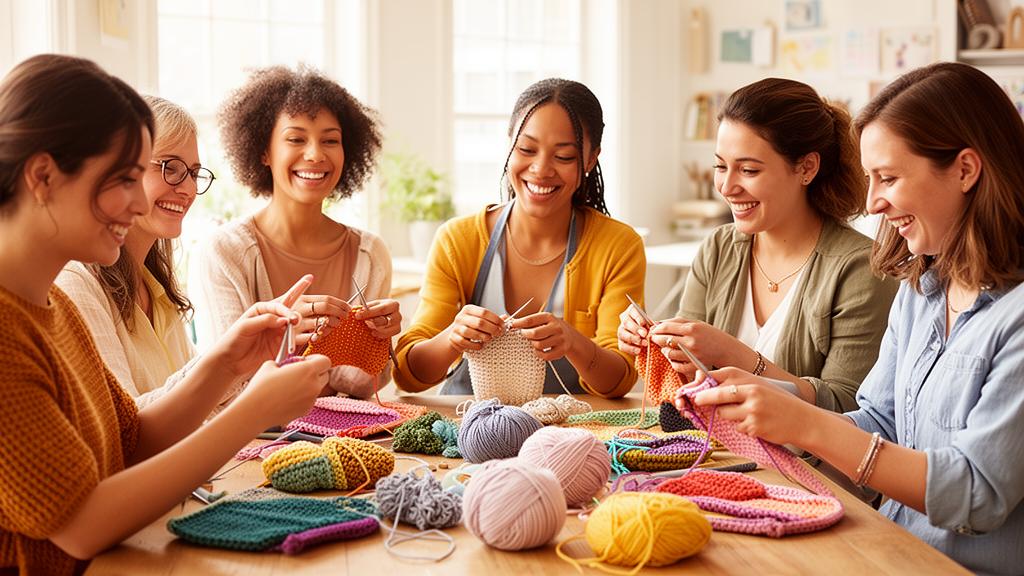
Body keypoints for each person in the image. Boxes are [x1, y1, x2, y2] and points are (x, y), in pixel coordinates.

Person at [681, 62, 1024, 575]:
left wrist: (805, 422)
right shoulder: (921, 293)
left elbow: (976, 493)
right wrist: (770, 397)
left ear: (965, 170)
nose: (872, 202)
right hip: (894, 552)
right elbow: (879, 422)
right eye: (869, 179)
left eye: (888, 178)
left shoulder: (1014, 318)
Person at [0, 54, 330, 575]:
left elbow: (131, 439)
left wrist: (226, 362)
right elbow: (81, 524)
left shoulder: (50, 305)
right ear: (43, 175)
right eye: (123, 179)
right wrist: (250, 414)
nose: (139, 203)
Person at [619, 78, 898, 413]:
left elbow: (847, 408)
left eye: (748, 170)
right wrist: (655, 344)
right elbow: (684, 384)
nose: (726, 186)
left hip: (806, 465)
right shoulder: (719, 248)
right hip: (718, 452)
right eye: (721, 166)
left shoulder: (860, 269)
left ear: (806, 168)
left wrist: (733, 355)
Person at [394, 78, 645, 398]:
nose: (541, 169)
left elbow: (619, 381)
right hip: (468, 434)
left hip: (568, 435)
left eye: (564, 157)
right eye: (527, 149)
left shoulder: (618, 246)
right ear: (510, 144)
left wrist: (574, 343)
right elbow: (407, 374)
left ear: (591, 159)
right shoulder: (458, 240)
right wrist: (451, 338)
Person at [191, 65, 400, 399]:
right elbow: (224, 386)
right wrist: (285, 343)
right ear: (264, 151)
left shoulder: (370, 254)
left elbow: (363, 384)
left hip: (344, 443)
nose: (316, 154)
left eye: (330, 140)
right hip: (247, 447)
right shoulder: (223, 252)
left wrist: (380, 342)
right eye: (295, 139)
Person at [56, 96, 219, 408]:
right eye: (170, 167)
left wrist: (259, 354)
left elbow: (201, 407)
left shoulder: (158, 289)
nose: (187, 189)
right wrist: (230, 359)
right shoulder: (76, 284)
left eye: (194, 173)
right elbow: (126, 428)